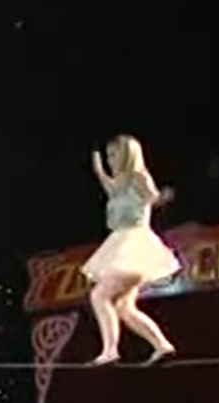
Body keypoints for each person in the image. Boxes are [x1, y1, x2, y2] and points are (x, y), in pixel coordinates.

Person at [81, 134, 180, 366]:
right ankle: (162, 346)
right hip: (122, 243)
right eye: (109, 156)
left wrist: (159, 197)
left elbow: (151, 195)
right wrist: (98, 165)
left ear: (128, 155)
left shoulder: (138, 176)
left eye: (114, 155)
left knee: (99, 296)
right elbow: (110, 186)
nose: (111, 160)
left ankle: (110, 351)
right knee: (124, 307)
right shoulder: (120, 185)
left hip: (133, 244)